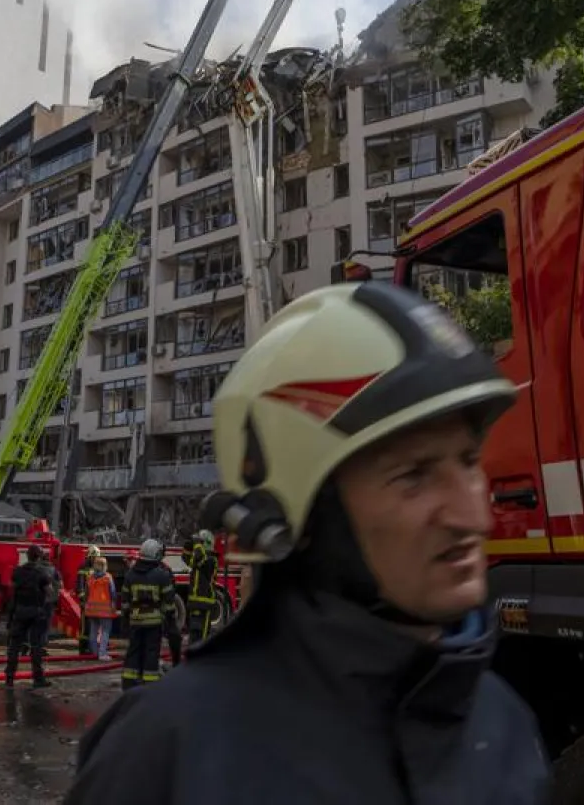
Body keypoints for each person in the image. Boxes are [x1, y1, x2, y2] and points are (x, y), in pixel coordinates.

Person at [66, 282, 551, 804]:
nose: (474, 516)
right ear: (305, 515)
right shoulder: (172, 752)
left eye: (469, 462)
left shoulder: (504, 725)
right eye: (415, 475)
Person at [119, 539, 175, 690]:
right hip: (154, 623)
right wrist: (170, 622)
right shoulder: (162, 575)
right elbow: (169, 603)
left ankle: (129, 682)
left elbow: (124, 602)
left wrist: (125, 620)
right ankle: (150, 683)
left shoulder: (130, 575)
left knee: (133, 651)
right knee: (151, 653)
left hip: (135, 621)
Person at [4, 545, 54, 689]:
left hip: (19, 611)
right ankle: (38, 679)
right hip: (36, 613)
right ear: (39, 556)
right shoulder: (42, 573)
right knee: (36, 647)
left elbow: (11, 589)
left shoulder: (17, 571)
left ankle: (9, 679)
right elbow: (50, 592)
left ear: (27, 555)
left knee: (14, 647)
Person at [183, 530, 219, 644]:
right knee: (194, 633)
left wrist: (198, 543)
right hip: (195, 601)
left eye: (200, 542)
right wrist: (188, 545)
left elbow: (199, 559)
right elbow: (187, 559)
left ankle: (201, 656)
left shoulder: (211, 560)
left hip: (205, 602)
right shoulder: (200, 558)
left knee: (202, 635)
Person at [82, 556, 117, 661]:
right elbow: (113, 593)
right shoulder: (108, 577)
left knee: (93, 631)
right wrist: (114, 605)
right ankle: (102, 654)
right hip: (105, 610)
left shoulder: (90, 578)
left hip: (92, 609)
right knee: (105, 631)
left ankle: (94, 653)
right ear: (104, 566)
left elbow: (86, 594)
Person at [73, 545, 100, 655]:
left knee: (93, 626)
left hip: (94, 602)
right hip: (86, 602)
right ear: (89, 557)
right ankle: (83, 648)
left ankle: (90, 647)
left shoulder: (96, 568)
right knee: (85, 626)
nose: (95, 559)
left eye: (97, 557)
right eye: (94, 557)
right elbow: (79, 586)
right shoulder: (83, 567)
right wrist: (83, 601)